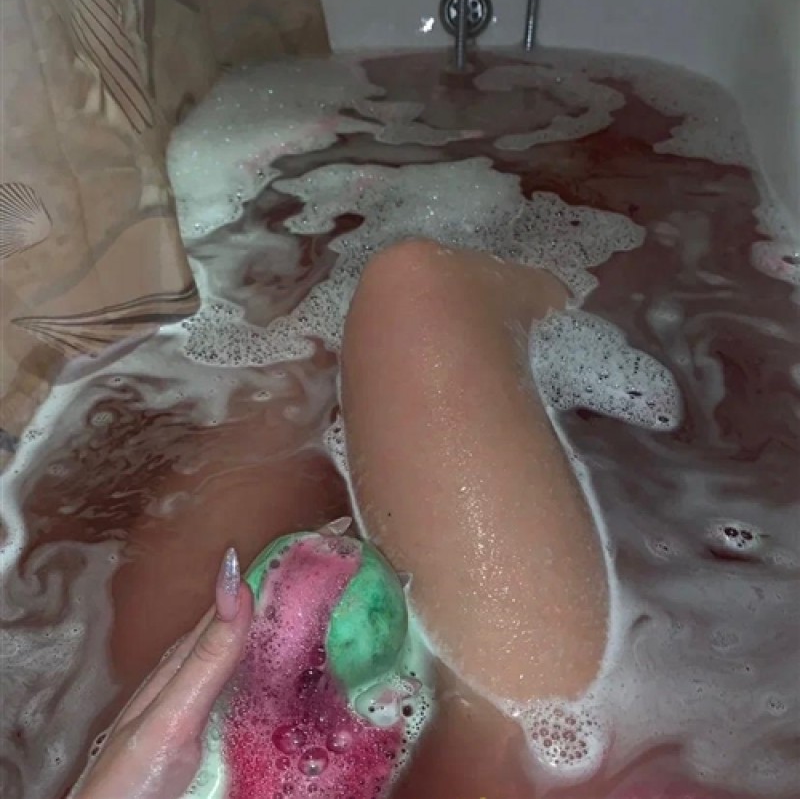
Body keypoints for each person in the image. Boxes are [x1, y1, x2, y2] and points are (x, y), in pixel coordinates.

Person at [71, 240, 609, 799]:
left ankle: (302, 344)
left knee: (150, 639)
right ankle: (302, 334)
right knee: (415, 291)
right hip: (534, 754)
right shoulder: (536, 733)